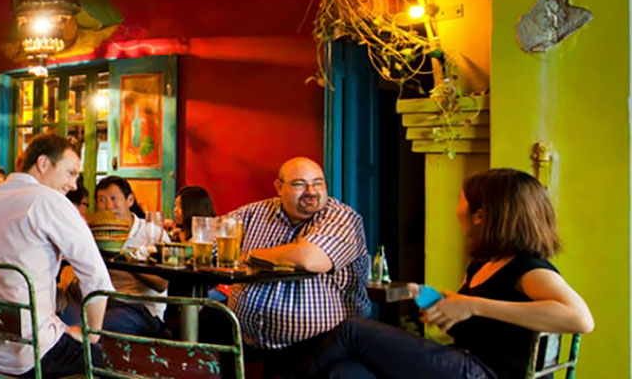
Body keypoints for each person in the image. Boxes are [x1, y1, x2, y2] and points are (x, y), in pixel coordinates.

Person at [307, 169, 594, 379]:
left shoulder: (529, 269)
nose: (457, 209)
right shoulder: (483, 264)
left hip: (486, 374)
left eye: (461, 200)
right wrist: (427, 298)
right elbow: (469, 325)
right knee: (344, 372)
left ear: (480, 215)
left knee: (352, 330)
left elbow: (580, 318)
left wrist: (472, 304)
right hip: (465, 363)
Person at [0, 133, 112, 378]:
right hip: (27, 354)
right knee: (105, 356)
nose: (74, 185)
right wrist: (90, 336)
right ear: (43, 164)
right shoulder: (49, 200)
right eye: (70, 173)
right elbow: (97, 278)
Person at [224, 156, 369, 376]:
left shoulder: (342, 217)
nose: (311, 191)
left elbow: (309, 259)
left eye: (318, 183)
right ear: (279, 187)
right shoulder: (254, 213)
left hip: (319, 346)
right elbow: (207, 239)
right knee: (197, 332)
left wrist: (250, 256)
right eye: (299, 184)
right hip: (248, 339)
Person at [93, 175, 168, 336]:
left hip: (143, 309)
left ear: (130, 201)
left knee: (96, 323)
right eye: (102, 200)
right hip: (106, 301)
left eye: (114, 198)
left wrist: (123, 258)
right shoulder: (96, 233)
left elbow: (161, 284)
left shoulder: (151, 232)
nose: (108, 206)